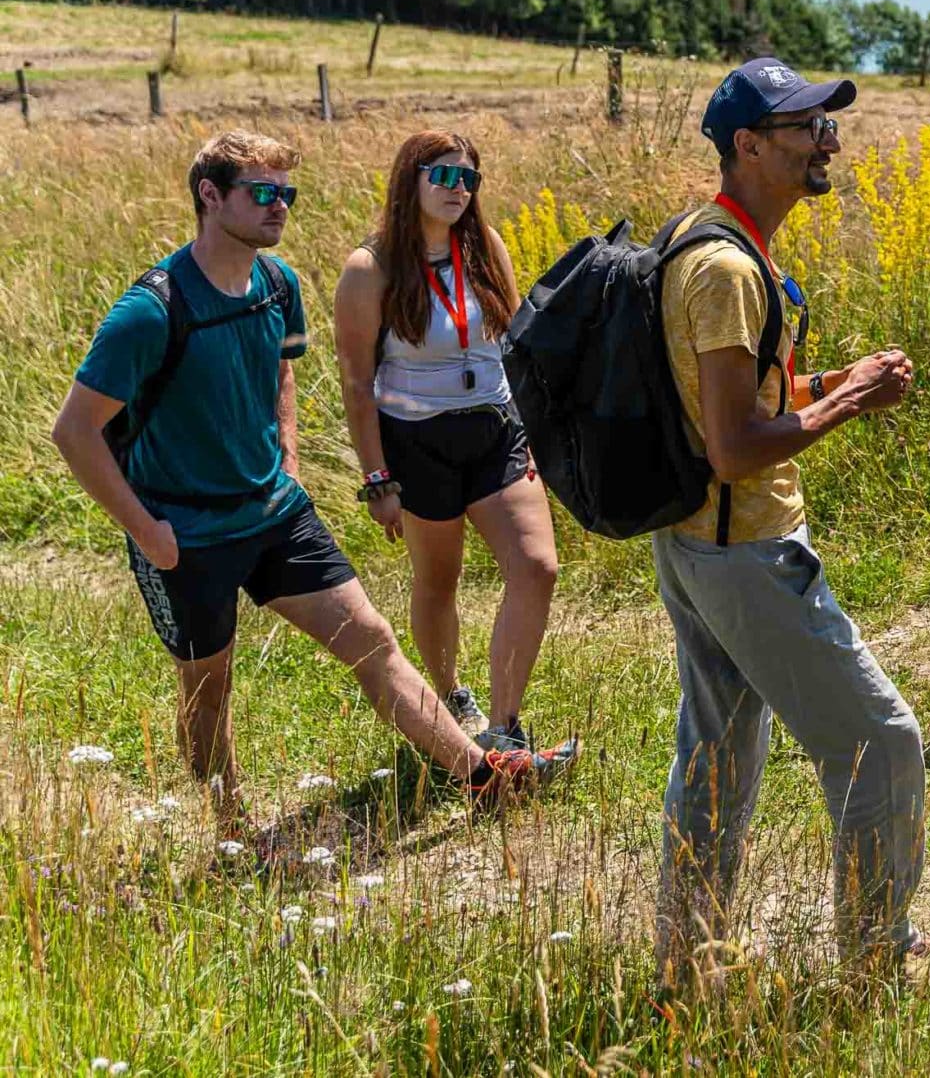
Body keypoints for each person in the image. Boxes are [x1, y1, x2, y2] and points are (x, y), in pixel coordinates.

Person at [49, 130, 574, 847]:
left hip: (274, 514)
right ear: (210, 195)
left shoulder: (278, 285)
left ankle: (483, 777)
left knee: (373, 643)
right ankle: (231, 834)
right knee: (209, 692)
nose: (280, 208)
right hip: (186, 534)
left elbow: (283, 373)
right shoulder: (151, 310)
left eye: (286, 194)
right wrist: (147, 532)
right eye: (262, 193)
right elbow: (74, 432)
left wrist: (289, 461)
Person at [654, 58, 930, 990]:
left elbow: (726, 403)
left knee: (715, 757)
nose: (828, 138)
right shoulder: (724, 271)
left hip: (699, 547)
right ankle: (880, 957)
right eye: (806, 127)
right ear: (749, 146)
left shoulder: (713, 241)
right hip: (746, 549)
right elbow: (732, 447)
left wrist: (827, 383)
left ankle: (689, 954)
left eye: (826, 122)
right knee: (883, 741)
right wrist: (855, 402)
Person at [334, 130, 559, 754]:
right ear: (411, 179)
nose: (459, 190)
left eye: (470, 180)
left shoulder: (485, 246)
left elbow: (517, 347)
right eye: (444, 176)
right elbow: (357, 383)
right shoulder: (370, 268)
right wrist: (377, 478)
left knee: (537, 566)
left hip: (496, 430)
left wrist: (535, 436)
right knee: (440, 581)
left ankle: (504, 727)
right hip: (417, 443)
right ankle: (451, 694)